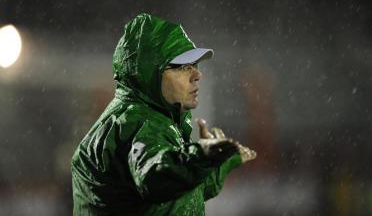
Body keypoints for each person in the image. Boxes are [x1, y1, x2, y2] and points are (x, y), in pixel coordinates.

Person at [71, 13, 256, 216]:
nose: (197, 75)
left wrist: (216, 161)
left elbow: (180, 197)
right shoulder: (140, 123)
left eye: (195, 65)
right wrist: (199, 156)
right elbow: (156, 178)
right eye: (183, 67)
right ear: (150, 73)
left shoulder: (148, 118)